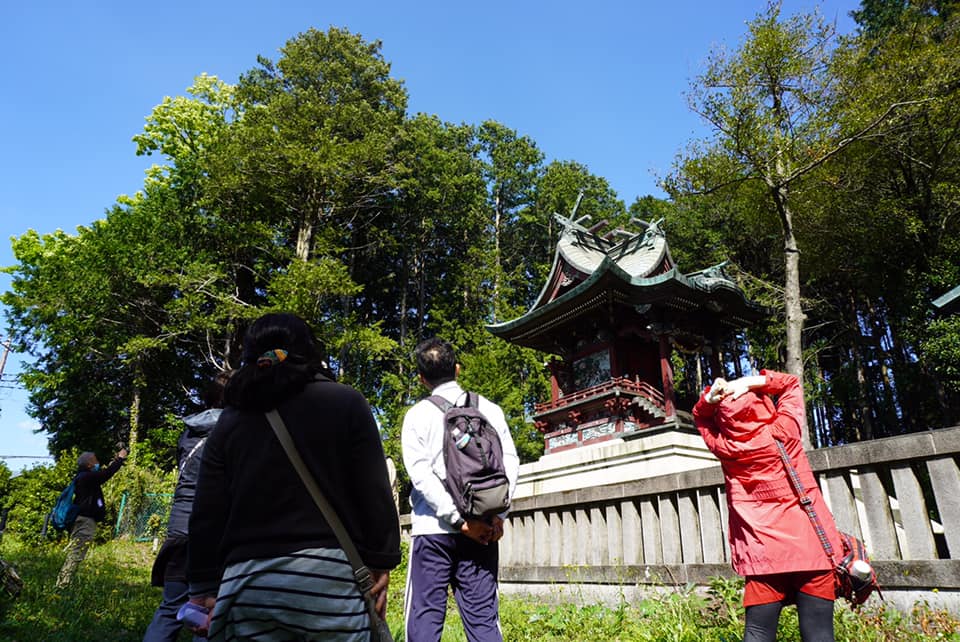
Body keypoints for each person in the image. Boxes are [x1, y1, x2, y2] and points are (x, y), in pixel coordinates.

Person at [187, 313, 400, 641]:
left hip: (247, 586)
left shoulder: (231, 421)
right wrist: (380, 560)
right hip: (330, 584)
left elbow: (207, 511)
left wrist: (202, 586)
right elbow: (374, 491)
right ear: (311, 350)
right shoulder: (346, 402)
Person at [693, 370, 841, 642]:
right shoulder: (786, 430)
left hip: (764, 555)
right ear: (762, 403)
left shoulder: (726, 447)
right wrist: (751, 382)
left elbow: (700, 417)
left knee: (758, 634)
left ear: (725, 419)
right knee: (820, 634)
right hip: (812, 549)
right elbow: (791, 383)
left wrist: (710, 399)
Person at [401, 337, 520, 642]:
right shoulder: (489, 409)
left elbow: (420, 476)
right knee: (483, 620)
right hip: (483, 528)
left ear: (421, 378)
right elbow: (509, 463)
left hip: (433, 531)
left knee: (425, 619)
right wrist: (498, 516)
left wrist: (456, 520)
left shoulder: (416, 416)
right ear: (457, 368)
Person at [143, 370, 231, 642]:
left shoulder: (189, 431)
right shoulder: (235, 431)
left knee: (171, 606)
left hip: (180, 525)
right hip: (216, 529)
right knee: (212, 610)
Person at [55, 446, 128, 588]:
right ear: (89, 464)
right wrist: (120, 458)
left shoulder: (85, 478)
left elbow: (103, 474)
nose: (98, 464)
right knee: (76, 553)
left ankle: (65, 582)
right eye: (95, 461)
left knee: (77, 551)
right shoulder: (87, 477)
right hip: (85, 521)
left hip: (83, 520)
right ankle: (62, 585)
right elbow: (107, 473)